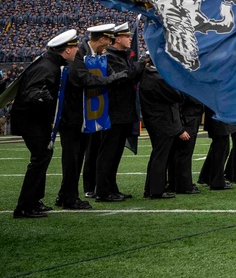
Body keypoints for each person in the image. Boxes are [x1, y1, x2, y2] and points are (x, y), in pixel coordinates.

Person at [10, 30, 78, 218]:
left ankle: (34, 201)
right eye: (75, 47)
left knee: (43, 155)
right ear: (67, 49)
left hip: (35, 119)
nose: (77, 50)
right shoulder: (48, 66)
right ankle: (24, 206)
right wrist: (49, 103)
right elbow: (34, 94)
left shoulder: (50, 63)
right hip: (32, 120)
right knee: (40, 157)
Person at [61, 24, 120, 206]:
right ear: (102, 39)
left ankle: (65, 195)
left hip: (86, 115)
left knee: (77, 157)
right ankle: (69, 197)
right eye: (108, 41)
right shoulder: (80, 54)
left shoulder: (96, 55)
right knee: (73, 158)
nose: (108, 45)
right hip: (73, 114)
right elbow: (83, 78)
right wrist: (108, 80)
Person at [94, 22, 141, 202]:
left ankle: (111, 188)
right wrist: (141, 64)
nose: (130, 39)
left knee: (115, 153)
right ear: (118, 38)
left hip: (123, 111)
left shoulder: (120, 56)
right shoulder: (110, 57)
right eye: (127, 36)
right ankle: (103, 191)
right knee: (108, 152)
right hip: (114, 112)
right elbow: (126, 76)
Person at [139, 54, 185, 199]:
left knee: (157, 155)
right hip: (162, 121)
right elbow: (177, 95)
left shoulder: (148, 75)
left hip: (155, 120)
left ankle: (151, 188)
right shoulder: (157, 78)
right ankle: (156, 189)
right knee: (160, 156)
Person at [168, 93, 203, 194]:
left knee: (180, 153)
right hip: (187, 119)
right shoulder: (183, 84)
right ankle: (184, 186)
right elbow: (177, 106)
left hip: (189, 118)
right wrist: (180, 129)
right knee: (184, 153)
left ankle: (176, 183)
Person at [199, 107, 235, 190]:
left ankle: (206, 176)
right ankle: (216, 181)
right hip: (219, 118)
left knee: (220, 148)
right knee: (220, 150)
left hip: (219, 117)